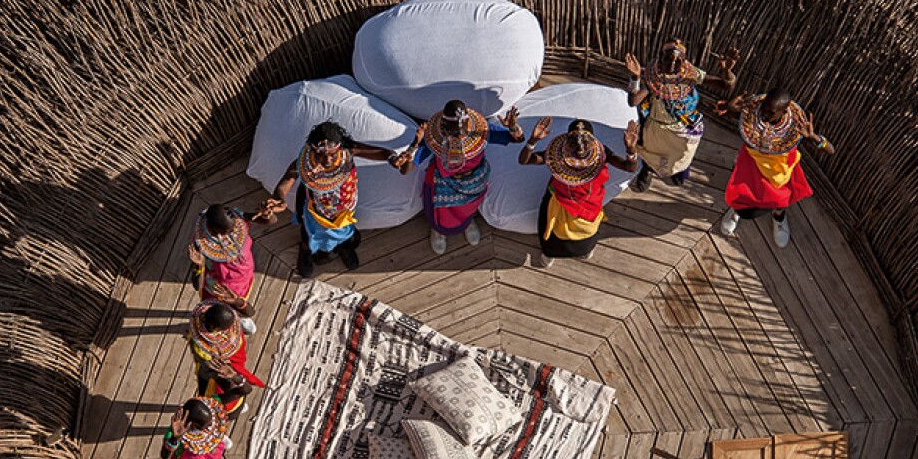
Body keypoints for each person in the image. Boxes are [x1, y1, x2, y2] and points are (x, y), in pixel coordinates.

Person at [253, 121, 399, 279]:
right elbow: (288, 179)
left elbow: (384, 153)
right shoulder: (305, 163)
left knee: (347, 235)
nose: (327, 160)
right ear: (312, 149)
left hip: (345, 212)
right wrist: (278, 198)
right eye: (320, 154)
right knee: (309, 236)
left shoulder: (349, 150)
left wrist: (393, 159)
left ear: (340, 147)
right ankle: (305, 253)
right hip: (318, 214)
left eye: (332, 154)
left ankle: (345, 248)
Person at [392, 100, 526, 254]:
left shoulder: (481, 131)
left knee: (468, 209)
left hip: (475, 181)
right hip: (443, 183)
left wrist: (512, 127)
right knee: (440, 212)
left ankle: (466, 222)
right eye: (452, 130)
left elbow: (517, 139)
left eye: (461, 129)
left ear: (468, 122)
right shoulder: (433, 138)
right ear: (443, 125)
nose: (457, 135)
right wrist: (414, 145)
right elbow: (406, 170)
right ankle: (438, 230)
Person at [716, 87, 833, 249]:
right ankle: (737, 210)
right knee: (743, 188)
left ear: (784, 112)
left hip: (780, 170)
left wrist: (815, 138)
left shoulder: (795, 128)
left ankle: (779, 216)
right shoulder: (752, 115)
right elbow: (726, 114)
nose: (764, 114)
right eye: (764, 108)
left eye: (771, 112)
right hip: (751, 162)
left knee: (780, 197)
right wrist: (728, 109)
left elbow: (830, 150)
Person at [518, 116, 639, 267]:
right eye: (576, 143)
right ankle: (566, 252)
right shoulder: (559, 153)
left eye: (583, 143)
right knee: (573, 232)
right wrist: (532, 141)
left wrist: (631, 149)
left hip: (576, 202)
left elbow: (629, 167)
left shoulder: (595, 154)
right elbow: (524, 160)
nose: (580, 147)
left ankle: (567, 253)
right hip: (576, 202)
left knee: (569, 233)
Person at [624, 39, 738, 191]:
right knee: (651, 152)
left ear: (684, 61)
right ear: (660, 56)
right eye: (668, 59)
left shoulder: (690, 74)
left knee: (682, 156)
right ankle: (648, 170)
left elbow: (725, 85)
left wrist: (727, 71)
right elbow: (634, 101)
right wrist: (635, 77)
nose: (672, 65)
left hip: (684, 129)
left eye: (678, 61)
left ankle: (678, 172)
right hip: (656, 127)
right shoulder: (653, 76)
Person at [187, 204, 259, 332]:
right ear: (215, 231)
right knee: (224, 309)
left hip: (243, 278)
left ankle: (240, 313)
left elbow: (269, 220)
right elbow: (197, 285)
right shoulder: (202, 247)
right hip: (222, 289)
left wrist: (263, 214)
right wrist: (199, 265)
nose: (233, 233)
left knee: (240, 302)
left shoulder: (237, 224)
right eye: (229, 231)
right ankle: (235, 315)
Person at [187, 300, 265, 417]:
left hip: (221, 395)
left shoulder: (197, 333)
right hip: (222, 386)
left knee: (209, 391)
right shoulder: (229, 343)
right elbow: (244, 389)